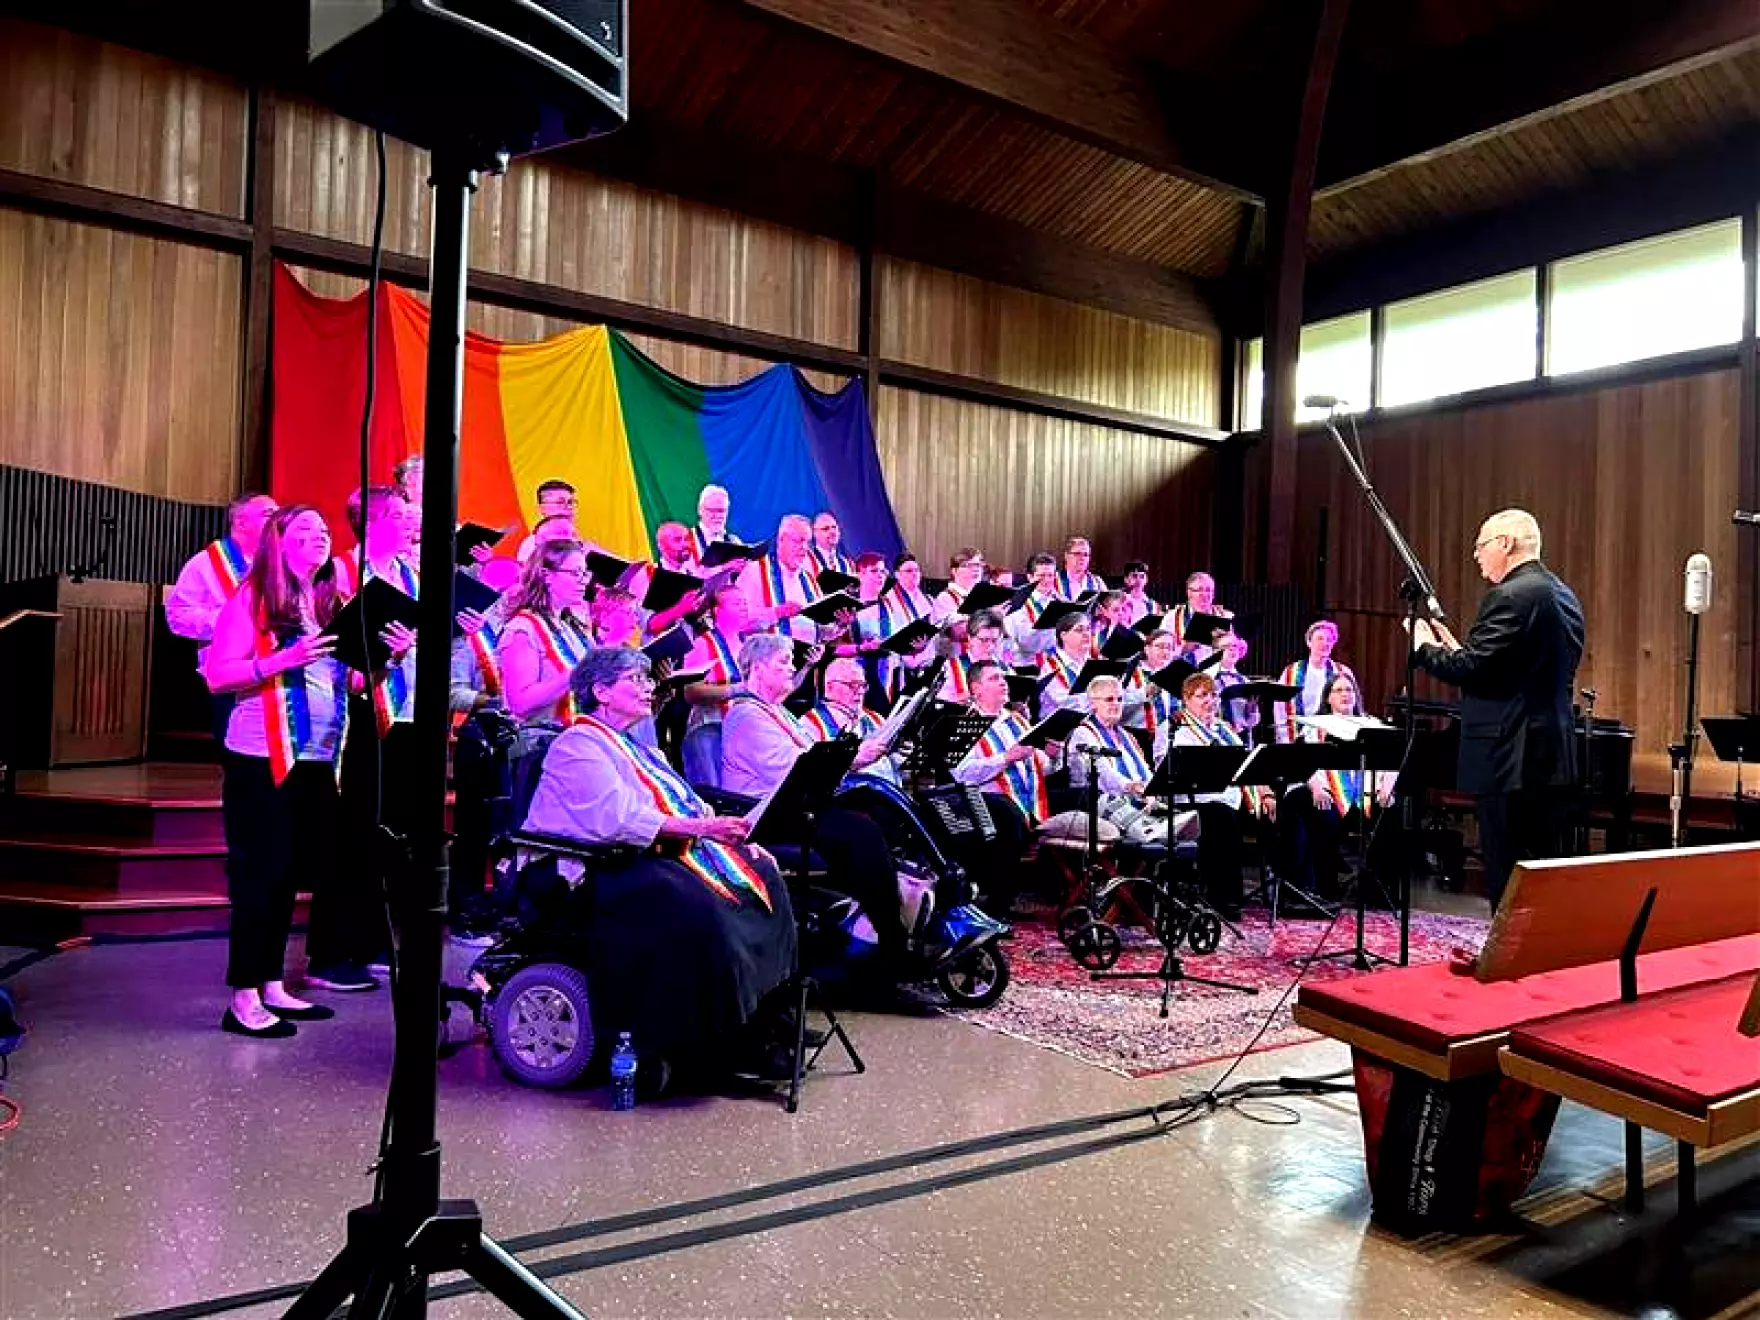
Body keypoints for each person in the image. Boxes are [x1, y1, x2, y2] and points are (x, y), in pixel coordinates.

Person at [520, 647, 797, 1084]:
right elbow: (619, 820)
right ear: (601, 692)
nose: (649, 688)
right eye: (636, 680)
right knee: (696, 908)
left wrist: (736, 838)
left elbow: (681, 799)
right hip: (591, 864)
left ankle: (763, 1019)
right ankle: (711, 1043)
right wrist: (705, 830)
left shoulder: (635, 745)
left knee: (763, 877)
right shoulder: (577, 745)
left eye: (649, 680)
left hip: (645, 849)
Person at [203, 505, 350, 1037]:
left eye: (325, 531)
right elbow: (218, 674)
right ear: (278, 541)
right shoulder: (254, 596)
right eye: (306, 530)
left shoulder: (323, 601)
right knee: (258, 877)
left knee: (288, 876)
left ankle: (272, 985)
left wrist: (383, 657)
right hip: (261, 756)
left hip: (313, 759)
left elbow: (342, 682)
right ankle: (242, 995)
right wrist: (280, 662)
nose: (320, 538)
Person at [1411, 508, 1584, 910]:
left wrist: (1423, 648)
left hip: (1510, 756)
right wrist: (1456, 649)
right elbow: (1505, 672)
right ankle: (1534, 958)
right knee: (1537, 871)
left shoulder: (1509, 595)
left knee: (1507, 870)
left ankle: (1506, 961)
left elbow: (1472, 670)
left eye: (1481, 545)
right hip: (1549, 754)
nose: (1476, 556)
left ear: (1506, 544)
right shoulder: (1563, 594)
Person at [720, 634, 906, 952]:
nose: (792, 668)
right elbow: (796, 770)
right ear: (758, 668)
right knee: (861, 832)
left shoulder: (780, 712)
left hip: (797, 804)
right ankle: (892, 939)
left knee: (880, 806)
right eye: (784, 661)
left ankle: (892, 910)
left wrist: (850, 759)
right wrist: (855, 757)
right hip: (765, 813)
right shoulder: (746, 716)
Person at [314, 487, 422, 993]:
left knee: (389, 831)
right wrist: (386, 657)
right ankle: (331, 951)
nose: (409, 523)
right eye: (399, 515)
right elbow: (332, 650)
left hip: (401, 712)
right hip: (354, 712)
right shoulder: (340, 573)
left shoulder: (407, 574)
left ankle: (374, 937)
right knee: (350, 833)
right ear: (372, 521)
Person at [166, 492, 278, 743]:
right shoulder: (205, 564)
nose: (276, 521)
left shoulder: (278, 564)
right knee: (236, 755)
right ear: (241, 522)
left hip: (274, 672)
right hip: (229, 677)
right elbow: (177, 616)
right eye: (268, 514)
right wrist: (232, 622)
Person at [1160, 673, 1275, 919]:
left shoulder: (1223, 729)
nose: (1209, 701)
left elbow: (1246, 762)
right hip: (1193, 801)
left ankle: (1290, 894)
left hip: (1228, 798)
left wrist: (1265, 792)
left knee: (1280, 808)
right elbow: (1166, 768)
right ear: (1186, 699)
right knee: (1221, 817)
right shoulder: (1173, 728)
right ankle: (1224, 898)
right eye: (1202, 695)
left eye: (1213, 695)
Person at [1280, 672, 1398, 905]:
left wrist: (1386, 789)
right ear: (1328, 698)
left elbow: (1391, 762)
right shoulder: (1316, 726)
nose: (1345, 694)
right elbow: (1305, 762)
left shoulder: (1372, 725)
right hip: (1329, 793)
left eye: (1349, 690)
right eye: (1339, 690)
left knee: (1393, 813)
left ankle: (1376, 890)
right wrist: (1316, 789)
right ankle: (1326, 888)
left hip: (1365, 794)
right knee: (1324, 814)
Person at [499, 539, 596, 807]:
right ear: (547, 575)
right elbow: (521, 703)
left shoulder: (573, 627)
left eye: (585, 573)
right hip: (539, 742)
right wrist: (576, 674)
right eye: (575, 573)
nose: (583, 580)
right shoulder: (522, 629)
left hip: (576, 737)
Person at [953, 659, 1056, 908]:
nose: (1003, 682)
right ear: (976, 689)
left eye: (1003, 677)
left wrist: (1050, 755)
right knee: (1007, 814)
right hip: (983, 799)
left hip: (1027, 794)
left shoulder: (1017, 721)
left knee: (1080, 797)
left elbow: (1041, 768)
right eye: (994, 678)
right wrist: (1005, 758)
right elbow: (963, 774)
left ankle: (1059, 892)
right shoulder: (963, 724)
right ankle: (1000, 903)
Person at [1067, 675, 1174, 849]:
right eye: (1109, 699)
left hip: (1134, 797)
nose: (1116, 704)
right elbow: (1105, 776)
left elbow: (1145, 770)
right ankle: (1153, 829)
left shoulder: (1125, 734)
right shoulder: (1083, 732)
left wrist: (1152, 790)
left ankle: (1160, 829)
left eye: (1120, 699)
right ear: (1093, 703)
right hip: (1098, 798)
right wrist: (1135, 787)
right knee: (1150, 827)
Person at [679, 580, 756, 784]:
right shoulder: (702, 644)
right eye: (736, 603)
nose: (744, 607)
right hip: (710, 731)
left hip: (744, 731)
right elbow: (690, 692)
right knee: (715, 793)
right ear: (716, 610)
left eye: (745, 603)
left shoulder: (749, 644)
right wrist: (736, 690)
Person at [739, 513, 819, 641]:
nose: (804, 548)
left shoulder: (808, 579)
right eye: (798, 541)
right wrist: (777, 613)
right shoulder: (754, 572)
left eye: (807, 542)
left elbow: (819, 630)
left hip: (810, 657)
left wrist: (839, 625)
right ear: (781, 539)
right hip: (766, 657)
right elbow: (740, 622)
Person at [1275, 620, 1357, 743]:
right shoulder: (1291, 673)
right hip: (1299, 738)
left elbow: (1353, 705)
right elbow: (1280, 709)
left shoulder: (1342, 671)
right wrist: (1286, 741)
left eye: (1329, 640)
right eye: (1320, 639)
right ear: (1309, 642)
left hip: (1332, 737)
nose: (1325, 643)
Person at [937, 608, 1006, 703]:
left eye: (994, 640)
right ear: (970, 638)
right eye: (984, 640)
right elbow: (939, 706)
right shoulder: (951, 668)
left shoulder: (1004, 669)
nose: (990, 647)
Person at [1037, 611, 1097, 717]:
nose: (1086, 634)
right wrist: (1100, 698)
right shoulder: (1052, 666)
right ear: (1063, 636)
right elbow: (1064, 703)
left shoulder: (1095, 661)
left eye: (1088, 629)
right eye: (1079, 630)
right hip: (1061, 726)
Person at [1126, 628, 1182, 743]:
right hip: (1137, 734)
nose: (1165, 651)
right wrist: (1145, 693)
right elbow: (1119, 702)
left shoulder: (1174, 673)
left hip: (1166, 735)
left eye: (1169, 648)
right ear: (1147, 649)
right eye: (1160, 646)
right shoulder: (1131, 672)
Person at [1005, 553, 1063, 660]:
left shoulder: (1061, 602)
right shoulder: (1016, 602)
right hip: (1024, 664)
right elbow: (1009, 643)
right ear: (1030, 577)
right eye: (1041, 576)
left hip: (1056, 663)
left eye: (1050, 575)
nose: (1047, 580)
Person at [1169, 571, 1230, 661]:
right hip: (1183, 672)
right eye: (1200, 589)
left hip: (1216, 671)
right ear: (1189, 592)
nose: (1204, 594)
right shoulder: (1172, 618)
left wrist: (1237, 646)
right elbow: (1160, 652)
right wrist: (1184, 649)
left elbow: (1239, 652)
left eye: (1208, 590)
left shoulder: (1225, 616)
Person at [515, 480, 579, 562]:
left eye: (571, 502)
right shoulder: (532, 545)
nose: (568, 507)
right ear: (541, 508)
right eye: (560, 502)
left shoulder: (583, 546)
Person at [1213, 630, 1260, 738]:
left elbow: (1253, 721)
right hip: (1216, 738)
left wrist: (1251, 712)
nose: (1232, 649)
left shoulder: (1244, 681)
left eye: (1235, 646)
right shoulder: (1209, 678)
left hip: (1242, 739)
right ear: (1216, 651)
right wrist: (1221, 724)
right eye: (1226, 646)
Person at [932, 547, 986, 623]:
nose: (976, 569)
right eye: (969, 565)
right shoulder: (946, 598)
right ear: (954, 571)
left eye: (978, 565)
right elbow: (956, 632)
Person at [691, 483, 733, 559]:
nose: (717, 516)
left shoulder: (734, 541)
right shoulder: (686, 541)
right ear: (699, 510)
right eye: (712, 511)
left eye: (721, 511)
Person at [809, 511, 854, 579]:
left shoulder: (847, 563)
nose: (832, 532)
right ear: (814, 533)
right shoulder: (808, 560)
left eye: (834, 527)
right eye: (826, 529)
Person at [1120, 561, 1160, 626]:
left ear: (1146, 580)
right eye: (1134, 576)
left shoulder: (1152, 604)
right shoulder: (1119, 601)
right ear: (1126, 579)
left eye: (1142, 576)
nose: (1138, 580)